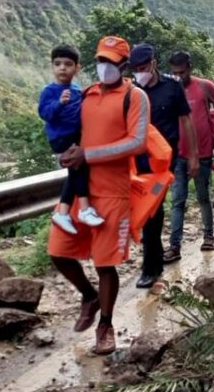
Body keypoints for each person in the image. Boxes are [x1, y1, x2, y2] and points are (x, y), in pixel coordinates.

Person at [48, 36, 150, 355]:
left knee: (105, 263)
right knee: (58, 252)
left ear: (124, 65)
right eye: (100, 60)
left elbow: (136, 142)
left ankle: (105, 326)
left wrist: (88, 154)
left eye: (110, 61)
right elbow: (71, 131)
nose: (104, 66)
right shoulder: (88, 94)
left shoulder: (135, 97)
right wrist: (66, 152)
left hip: (114, 193)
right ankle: (88, 296)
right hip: (81, 190)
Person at [128, 42, 199, 288]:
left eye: (143, 67)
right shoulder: (131, 90)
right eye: (135, 68)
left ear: (154, 64)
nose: (140, 72)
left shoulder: (172, 87)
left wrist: (193, 156)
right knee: (145, 212)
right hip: (136, 161)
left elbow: (186, 121)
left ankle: (150, 268)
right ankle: (153, 263)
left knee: (152, 211)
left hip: (162, 163)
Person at [167, 50, 214, 257]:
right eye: (174, 73)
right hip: (178, 154)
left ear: (190, 68)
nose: (178, 77)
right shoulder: (170, 89)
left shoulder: (204, 86)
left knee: (203, 196)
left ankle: (208, 237)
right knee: (177, 200)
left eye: (181, 72)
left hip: (203, 153)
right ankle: (175, 246)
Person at [37, 44, 104, 235]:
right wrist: (59, 103)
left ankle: (65, 212)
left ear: (77, 67)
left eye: (67, 64)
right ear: (52, 67)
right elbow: (45, 113)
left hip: (76, 136)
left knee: (77, 172)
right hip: (61, 138)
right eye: (57, 64)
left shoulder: (76, 89)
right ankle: (83, 209)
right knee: (79, 168)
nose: (62, 68)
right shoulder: (49, 91)